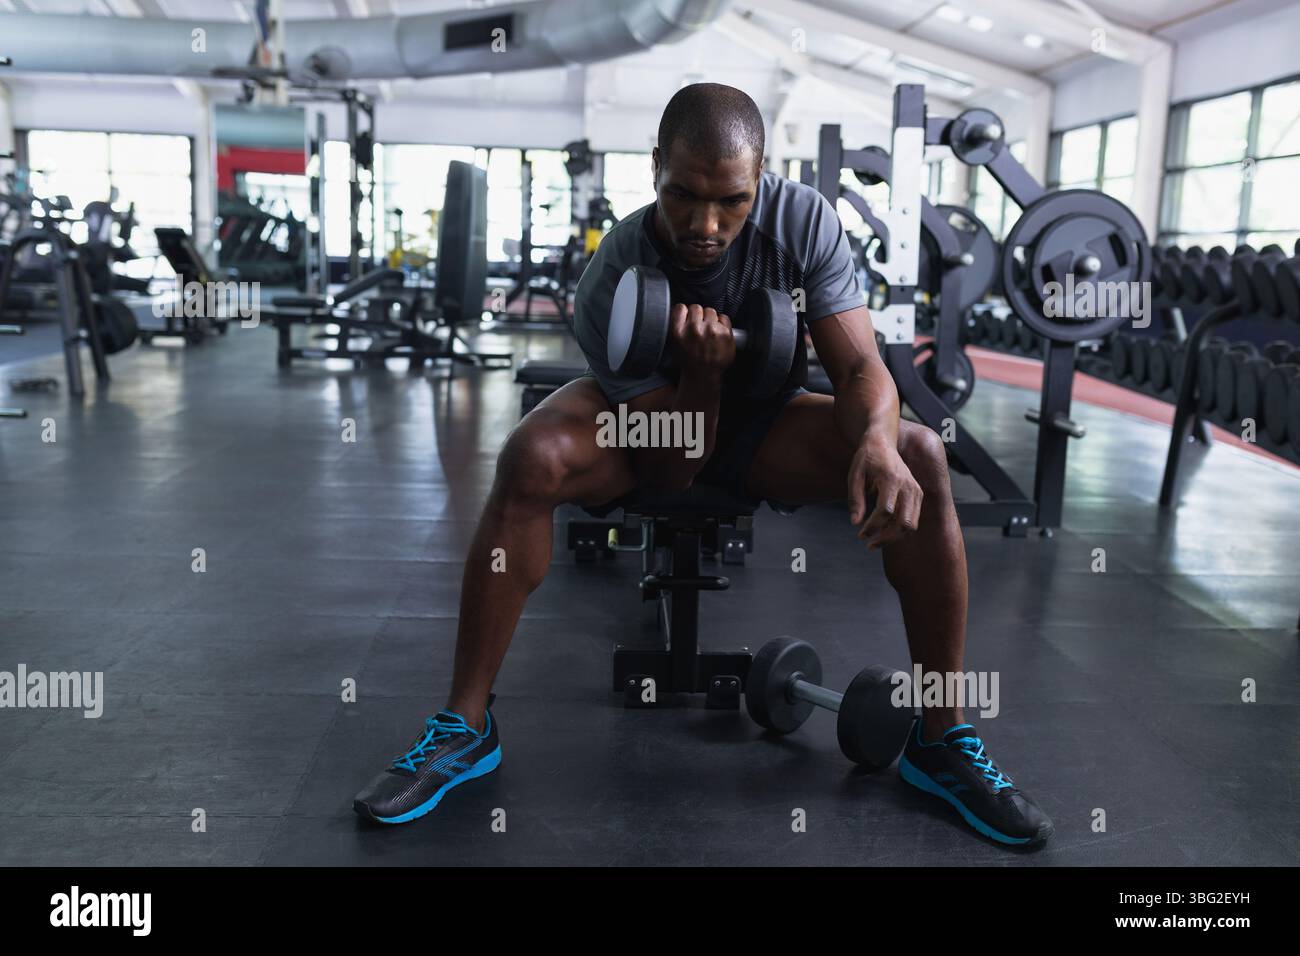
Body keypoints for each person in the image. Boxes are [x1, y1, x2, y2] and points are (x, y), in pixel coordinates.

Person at [354, 83, 1053, 847]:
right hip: (650, 426)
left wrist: (879, 444)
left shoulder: (802, 221)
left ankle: (942, 735)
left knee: (919, 452)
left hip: (766, 423)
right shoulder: (613, 275)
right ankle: (465, 724)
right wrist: (703, 376)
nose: (706, 225)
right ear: (655, 167)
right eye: (683, 196)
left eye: (732, 203)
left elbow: (859, 371)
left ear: (761, 179)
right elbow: (672, 474)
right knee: (532, 455)